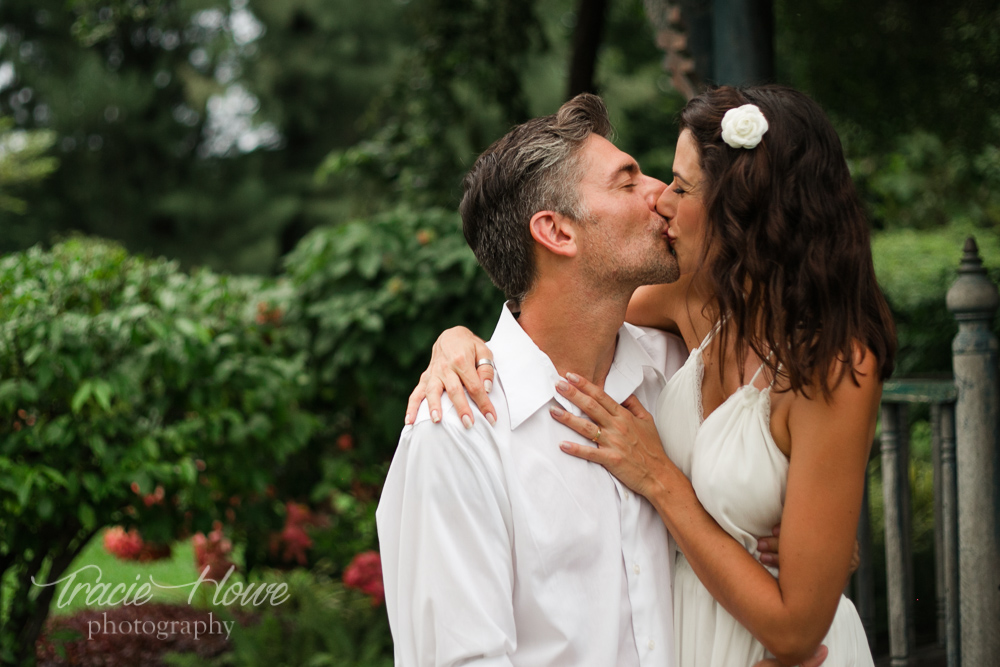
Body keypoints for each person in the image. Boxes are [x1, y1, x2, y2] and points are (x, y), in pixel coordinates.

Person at [406, 85, 893, 666]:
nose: (662, 197)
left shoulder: (664, 365)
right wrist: (457, 342)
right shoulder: (463, 432)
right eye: (630, 180)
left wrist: (815, 539)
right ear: (557, 232)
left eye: (678, 185)